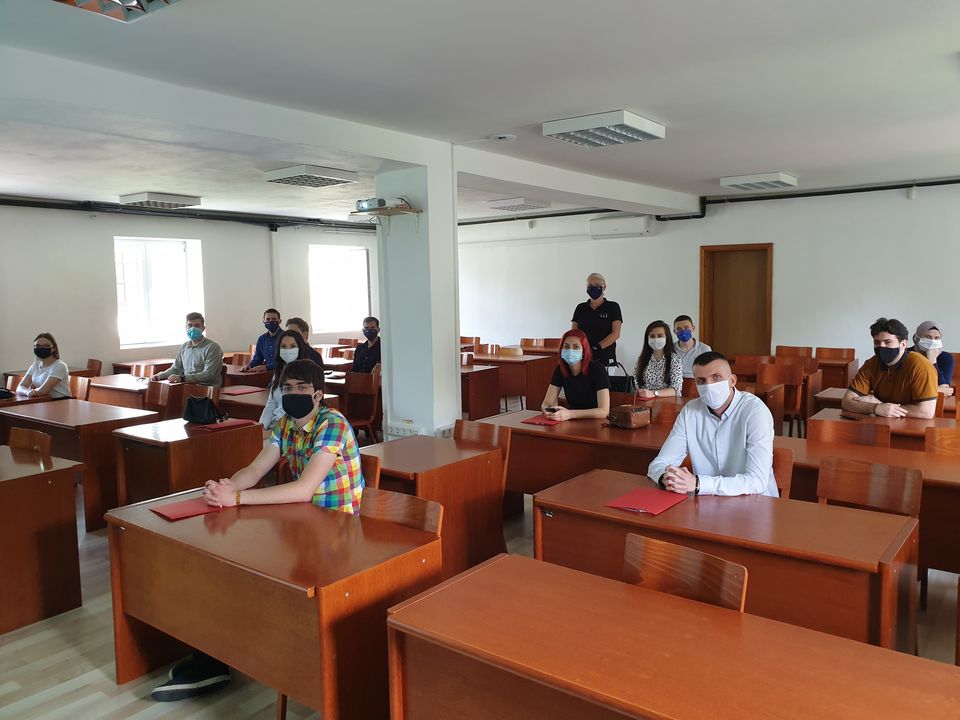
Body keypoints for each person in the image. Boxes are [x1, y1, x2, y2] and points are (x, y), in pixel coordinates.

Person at [151, 359, 364, 702]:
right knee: (229, 563)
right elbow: (255, 468)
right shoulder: (286, 423)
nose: (293, 394)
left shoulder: (332, 424)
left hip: (336, 533)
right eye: (287, 388)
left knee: (253, 572)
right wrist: (227, 488)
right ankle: (214, 657)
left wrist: (237, 499)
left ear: (318, 395)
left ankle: (233, 655)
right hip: (300, 523)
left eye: (302, 389)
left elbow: (303, 489)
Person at [648, 351, 778, 497]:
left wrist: (698, 483)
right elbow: (658, 464)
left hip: (754, 501)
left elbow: (757, 481)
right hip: (707, 502)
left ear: (732, 381)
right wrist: (668, 477)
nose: (709, 386)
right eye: (701, 381)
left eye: (716, 377)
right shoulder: (690, 411)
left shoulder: (755, 412)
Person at [842, 317, 938, 419]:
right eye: (877, 342)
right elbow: (847, 401)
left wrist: (882, 406)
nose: (881, 346)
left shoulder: (921, 366)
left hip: (912, 424)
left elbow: (926, 412)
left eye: (888, 342)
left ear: (903, 344)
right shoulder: (871, 363)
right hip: (880, 422)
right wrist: (875, 408)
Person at [540, 329, 610, 421]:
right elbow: (546, 403)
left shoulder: (598, 369)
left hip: (596, 421)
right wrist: (548, 410)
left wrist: (570, 414)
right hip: (573, 420)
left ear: (583, 351)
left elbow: (604, 411)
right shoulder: (560, 369)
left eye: (576, 347)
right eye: (566, 347)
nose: (570, 351)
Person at [259, 330, 320, 436]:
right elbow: (270, 404)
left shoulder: (308, 372)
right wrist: (261, 426)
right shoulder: (279, 372)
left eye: (292, 346)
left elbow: (297, 410)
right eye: (283, 346)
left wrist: (271, 433)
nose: (287, 350)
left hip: (290, 428)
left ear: (300, 348)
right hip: (273, 425)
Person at [150, 312, 224, 387]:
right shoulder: (184, 347)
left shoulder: (212, 347)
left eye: (197, 326)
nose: (193, 328)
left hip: (207, 388)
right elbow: (175, 369)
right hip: (187, 386)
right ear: (186, 328)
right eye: (190, 325)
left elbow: (208, 374)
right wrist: (160, 375)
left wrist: (183, 378)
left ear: (203, 328)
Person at [571, 272, 622, 367]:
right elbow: (574, 333)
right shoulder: (580, 308)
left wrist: (596, 348)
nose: (593, 288)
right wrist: (583, 349)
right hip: (582, 356)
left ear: (604, 287)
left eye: (597, 285)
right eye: (590, 286)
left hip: (605, 357)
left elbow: (616, 333)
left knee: (603, 377)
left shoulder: (613, 307)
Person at [633, 320, 683, 399]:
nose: (656, 339)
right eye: (652, 336)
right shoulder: (642, 359)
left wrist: (654, 393)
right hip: (645, 402)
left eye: (660, 336)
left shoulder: (674, 360)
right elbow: (637, 384)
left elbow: (675, 389)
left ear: (667, 337)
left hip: (668, 402)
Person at [16, 333, 72, 398]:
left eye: (46, 346)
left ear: (54, 348)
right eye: (38, 346)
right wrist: (27, 392)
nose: (41, 348)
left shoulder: (60, 366)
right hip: (43, 400)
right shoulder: (35, 365)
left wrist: (32, 391)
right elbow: (20, 387)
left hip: (61, 400)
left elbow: (42, 391)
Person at [908, 321, 954, 398]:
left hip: (935, 401)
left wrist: (933, 361)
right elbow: (904, 388)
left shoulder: (946, 358)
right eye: (928, 337)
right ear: (916, 338)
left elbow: (944, 388)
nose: (933, 341)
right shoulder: (906, 354)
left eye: (937, 338)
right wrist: (936, 390)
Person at [242, 308, 282, 372]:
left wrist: (266, 367)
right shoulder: (262, 339)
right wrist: (249, 365)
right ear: (264, 322)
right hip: (267, 374)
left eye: (274, 319)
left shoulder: (286, 337)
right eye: (268, 319)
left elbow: (287, 362)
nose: (270, 321)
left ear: (280, 321)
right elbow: (257, 359)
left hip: (284, 374)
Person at [673, 315, 712, 379]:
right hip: (674, 383)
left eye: (686, 327)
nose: (683, 331)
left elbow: (709, 372)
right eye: (679, 329)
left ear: (693, 328)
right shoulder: (670, 348)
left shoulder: (705, 349)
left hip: (696, 383)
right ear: (674, 331)